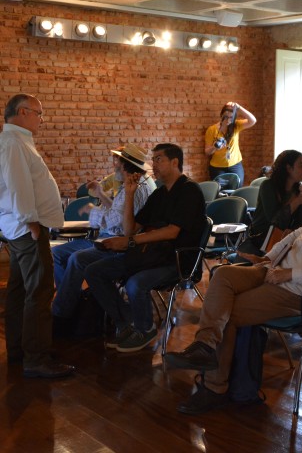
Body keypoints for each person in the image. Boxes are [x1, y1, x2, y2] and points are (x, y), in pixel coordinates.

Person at [165, 162, 302, 415]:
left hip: (298, 291)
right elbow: (292, 237)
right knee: (222, 276)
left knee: (227, 312)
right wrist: (269, 258)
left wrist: (290, 273)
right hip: (274, 271)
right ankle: (205, 347)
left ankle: (214, 387)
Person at [84, 143, 206, 353]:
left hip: (175, 260)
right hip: (149, 256)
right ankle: (127, 322)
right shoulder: (159, 195)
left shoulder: (189, 191)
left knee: (134, 284)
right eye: (154, 159)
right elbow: (130, 230)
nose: (153, 164)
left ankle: (144, 328)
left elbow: (172, 232)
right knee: (94, 272)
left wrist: (130, 242)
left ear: (175, 162)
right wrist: (130, 194)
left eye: (158, 159)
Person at [0, 93, 74, 378]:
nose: (42, 119)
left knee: (20, 290)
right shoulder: (13, 143)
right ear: (22, 111)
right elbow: (18, 186)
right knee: (41, 291)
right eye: (39, 113)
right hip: (28, 229)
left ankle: (21, 349)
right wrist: (31, 221)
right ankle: (36, 358)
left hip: (21, 228)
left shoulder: (16, 141)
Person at [51, 143, 155, 322]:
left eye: (117, 161)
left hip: (119, 242)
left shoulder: (135, 188)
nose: (114, 164)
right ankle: (70, 303)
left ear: (125, 165)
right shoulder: (136, 182)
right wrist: (100, 194)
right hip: (112, 236)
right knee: (59, 253)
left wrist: (92, 210)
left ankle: (62, 312)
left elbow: (118, 225)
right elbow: (117, 211)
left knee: (75, 258)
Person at [236, 150, 302, 257]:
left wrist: (292, 230)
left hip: (284, 242)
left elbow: (299, 222)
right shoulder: (268, 186)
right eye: (301, 166)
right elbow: (273, 220)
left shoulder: (299, 191)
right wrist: (298, 201)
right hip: (259, 241)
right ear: (289, 168)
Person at [205, 101, 256, 186]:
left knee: (237, 189)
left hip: (235, 165)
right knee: (220, 193)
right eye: (226, 117)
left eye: (231, 117)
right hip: (218, 167)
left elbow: (253, 120)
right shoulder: (212, 130)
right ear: (221, 116)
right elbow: (207, 152)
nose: (228, 120)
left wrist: (239, 107)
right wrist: (215, 147)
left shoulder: (236, 125)